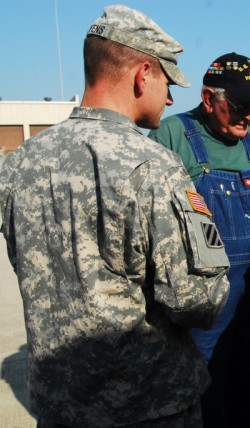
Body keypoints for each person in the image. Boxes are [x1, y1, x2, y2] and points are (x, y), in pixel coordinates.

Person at [0, 5, 231, 427]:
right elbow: (198, 299)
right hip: (148, 406)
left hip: (60, 406)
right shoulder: (153, 166)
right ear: (143, 74)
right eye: (166, 81)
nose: (170, 96)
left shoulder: (19, 163)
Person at [148, 52, 250, 428]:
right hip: (207, 302)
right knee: (206, 393)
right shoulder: (171, 135)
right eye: (240, 105)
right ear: (208, 98)